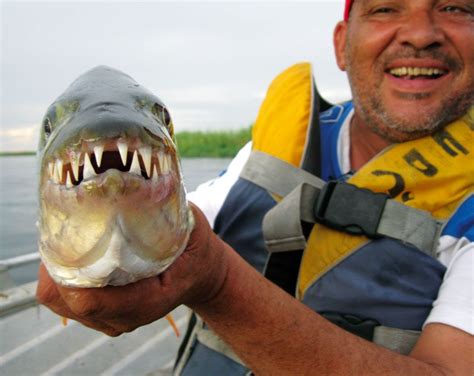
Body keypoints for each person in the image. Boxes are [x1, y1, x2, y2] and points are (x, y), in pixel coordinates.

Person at [37, 0, 473, 375]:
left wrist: (215, 283)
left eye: (455, 7)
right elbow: (183, 218)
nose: (420, 34)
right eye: (385, 8)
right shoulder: (270, 148)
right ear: (342, 43)